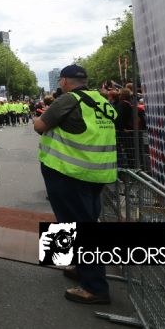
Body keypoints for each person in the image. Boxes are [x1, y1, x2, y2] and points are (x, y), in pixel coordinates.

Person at [34, 65, 117, 305]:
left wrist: (40, 118)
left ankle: (95, 287)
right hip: (97, 172)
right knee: (86, 221)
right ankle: (82, 269)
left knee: (78, 227)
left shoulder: (68, 99)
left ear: (64, 81)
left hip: (69, 172)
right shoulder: (99, 99)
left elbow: (40, 126)